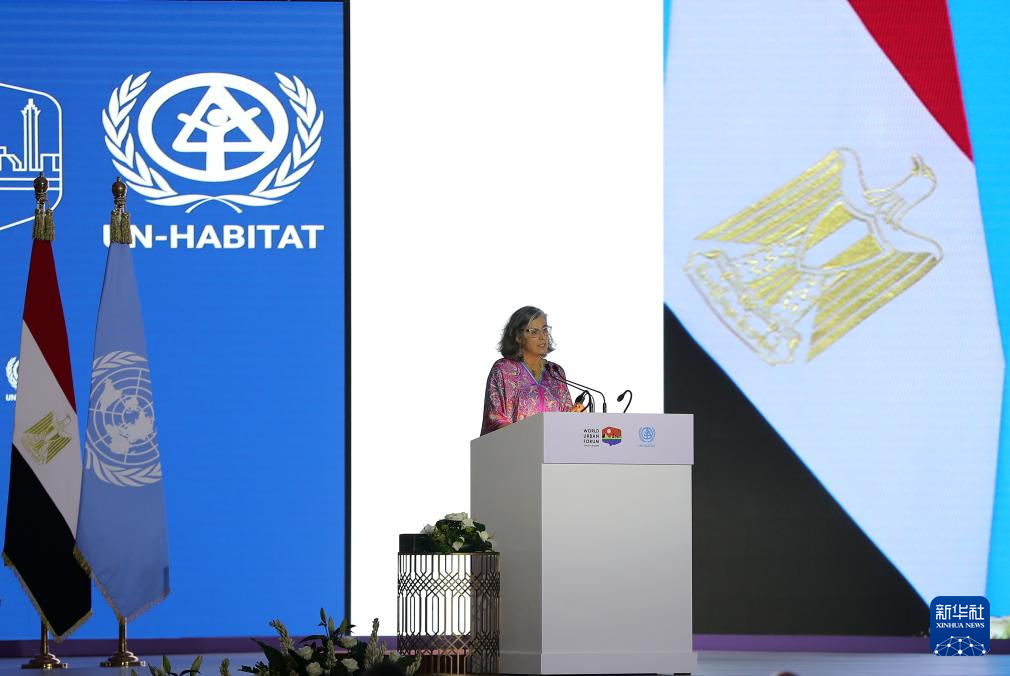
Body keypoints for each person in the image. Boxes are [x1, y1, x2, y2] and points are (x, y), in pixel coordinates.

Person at [480, 306, 584, 436]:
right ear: (518, 337)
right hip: (517, 446)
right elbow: (495, 418)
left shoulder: (555, 372)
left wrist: (576, 416)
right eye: (534, 331)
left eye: (544, 329)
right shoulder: (503, 370)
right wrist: (526, 438)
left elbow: (565, 417)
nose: (542, 336)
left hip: (554, 446)